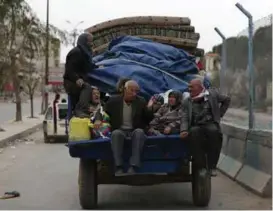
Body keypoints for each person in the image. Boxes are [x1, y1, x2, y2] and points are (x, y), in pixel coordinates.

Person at [180, 78, 230, 176]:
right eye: (189, 87)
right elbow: (184, 117)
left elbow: (227, 100)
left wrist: (219, 114)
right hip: (195, 125)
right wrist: (184, 130)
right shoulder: (187, 101)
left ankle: (212, 167)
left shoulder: (212, 95)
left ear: (199, 87)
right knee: (194, 134)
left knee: (215, 133)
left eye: (191, 87)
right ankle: (201, 167)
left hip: (210, 123)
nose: (189, 89)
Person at [104, 80, 153, 175]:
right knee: (116, 134)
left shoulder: (141, 101)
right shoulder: (113, 101)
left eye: (136, 91)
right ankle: (118, 166)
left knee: (139, 132)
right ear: (125, 90)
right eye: (132, 90)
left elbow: (148, 118)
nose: (134, 94)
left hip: (134, 130)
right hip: (120, 130)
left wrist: (150, 108)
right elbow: (102, 113)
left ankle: (134, 165)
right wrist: (98, 119)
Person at [63, 33, 101, 117]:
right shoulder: (76, 52)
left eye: (92, 41)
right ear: (84, 41)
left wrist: (99, 67)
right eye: (89, 41)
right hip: (71, 81)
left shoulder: (85, 53)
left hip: (80, 80)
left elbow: (89, 66)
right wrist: (77, 79)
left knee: (95, 88)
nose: (91, 44)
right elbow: (70, 70)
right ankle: (81, 109)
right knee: (86, 87)